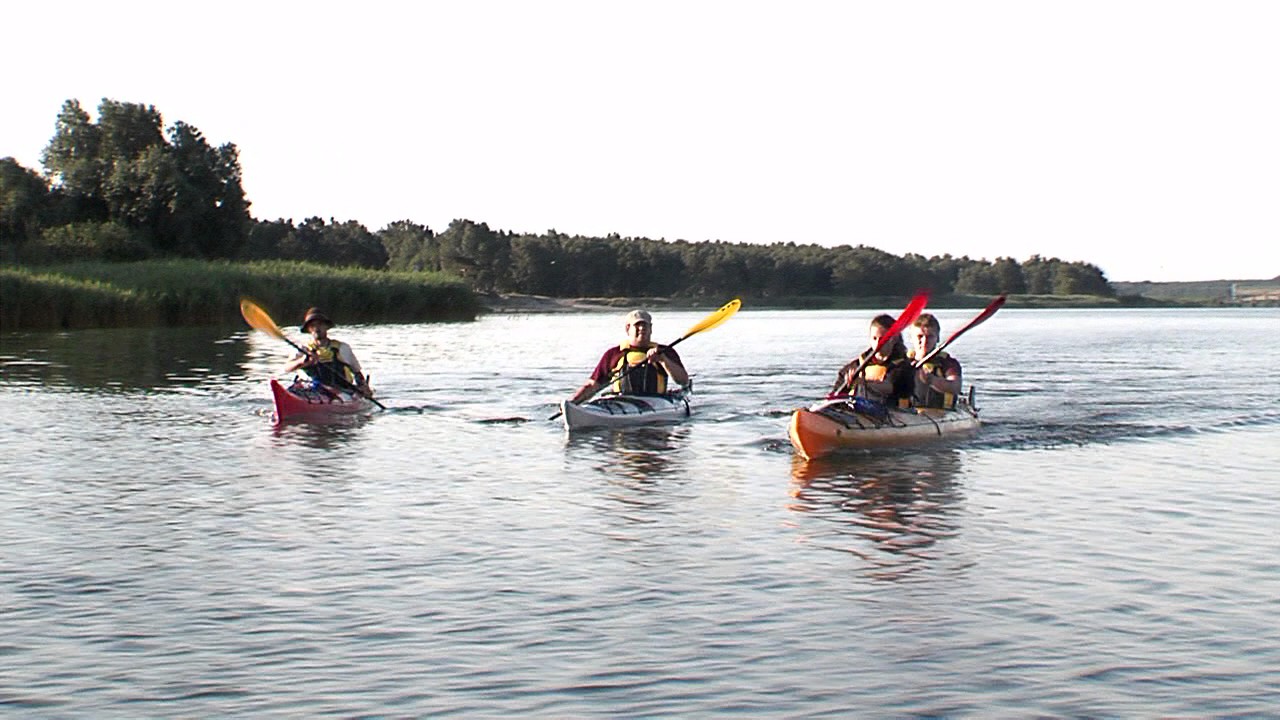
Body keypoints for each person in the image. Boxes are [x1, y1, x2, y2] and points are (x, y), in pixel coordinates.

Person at [567, 309, 690, 404]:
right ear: (627, 328)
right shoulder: (613, 354)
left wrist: (663, 360)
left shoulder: (665, 352)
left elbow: (683, 381)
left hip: (656, 402)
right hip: (621, 402)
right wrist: (572, 403)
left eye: (645, 325)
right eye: (637, 325)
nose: (642, 328)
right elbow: (592, 385)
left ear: (651, 328)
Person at [281, 307, 372, 397]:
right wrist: (302, 361)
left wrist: (363, 387)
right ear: (309, 330)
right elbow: (287, 368)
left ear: (326, 326)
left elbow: (357, 372)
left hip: (340, 391)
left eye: (320, 324)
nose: (316, 328)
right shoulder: (303, 349)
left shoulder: (342, 348)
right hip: (311, 390)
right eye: (312, 326)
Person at [830, 313, 914, 408]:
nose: (878, 344)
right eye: (874, 338)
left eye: (883, 339)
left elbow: (890, 387)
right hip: (859, 413)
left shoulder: (903, 367)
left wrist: (863, 382)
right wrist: (847, 386)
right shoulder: (857, 364)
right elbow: (835, 393)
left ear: (894, 339)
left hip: (892, 413)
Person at [908, 313, 962, 409]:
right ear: (911, 338)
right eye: (920, 336)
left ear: (938, 338)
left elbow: (955, 387)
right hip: (908, 414)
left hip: (942, 413)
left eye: (930, 337)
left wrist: (932, 380)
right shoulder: (903, 362)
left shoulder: (948, 363)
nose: (924, 341)